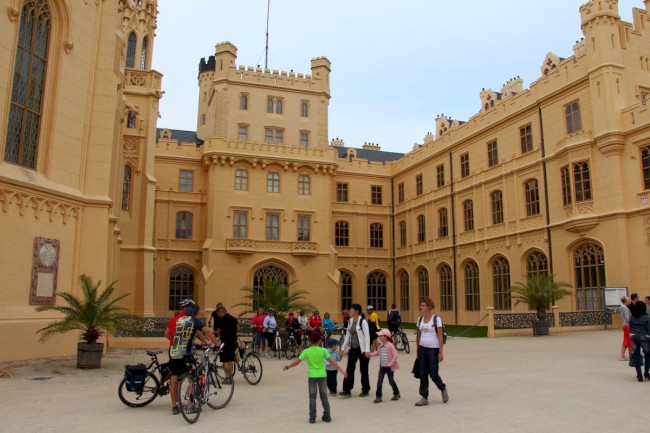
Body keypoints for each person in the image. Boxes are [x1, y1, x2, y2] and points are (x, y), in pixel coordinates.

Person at [284, 331, 347, 424]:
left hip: (312, 376)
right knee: (324, 397)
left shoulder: (306, 351)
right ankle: (327, 415)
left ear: (310, 340)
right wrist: (342, 371)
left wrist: (287, 367)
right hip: (322, 375)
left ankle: (312, 417)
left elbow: (297, 362)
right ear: (319, 340)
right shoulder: (323, 350)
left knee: (312, 397)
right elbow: (333, 362)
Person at [168, 303, 218, 415]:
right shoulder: (193, 320)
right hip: (186, 353)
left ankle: (174, 407)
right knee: (193, 378)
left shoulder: (178, 320)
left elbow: (170, 334)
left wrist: (197, 342)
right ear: (195, 312)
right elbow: (208, 331)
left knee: (174, 378)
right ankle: (190, 405)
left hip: (174, 351)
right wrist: (216, 343)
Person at [415, 297, 448, 407]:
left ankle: (442, 387)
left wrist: (441, 352)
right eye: (421, 305)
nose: (421, 307)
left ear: (428, 306)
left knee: (433, 374)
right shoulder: (420, 319)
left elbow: (440, 335)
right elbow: (418, 336)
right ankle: (424, 397)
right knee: (423, 374)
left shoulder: (436, 319)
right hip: (422, 349)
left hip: (433, 350)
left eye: (423, 305)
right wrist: (417, 352)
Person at [339, 303, 371, 397]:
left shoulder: (363, 322)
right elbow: (347, 336)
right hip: (353, 348)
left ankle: (365, 390)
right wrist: (342, 348)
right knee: (349, 369)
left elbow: (367, 336)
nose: (350, 311)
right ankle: (347, 390)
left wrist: (367, 350)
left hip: (362, 350)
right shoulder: (350, 321)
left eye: (352, 309)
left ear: (357, 311)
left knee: (363, 370)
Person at [366, 329, 400, 403]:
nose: (380, 337)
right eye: (380, 336)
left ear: (386, 337)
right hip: (382, 367)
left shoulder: (390, 345)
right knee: (379, 381)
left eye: (381, 336)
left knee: (391, 381)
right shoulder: (381, 345)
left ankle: (396, 393)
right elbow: (377, 353)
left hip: (389, 367)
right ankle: (378, 396)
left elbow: (395, 355)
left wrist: (390, 364)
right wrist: (369, 354)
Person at [214, 306, 240, 376]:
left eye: (219, 313)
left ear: (224, 312)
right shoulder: (233, 319)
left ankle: (227, 377)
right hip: (233, 342)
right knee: (230, 360)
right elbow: (238, 328)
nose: (218, 315)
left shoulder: (221, 320)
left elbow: (219, 331)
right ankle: (231, 377)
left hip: (225, 343)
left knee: (225, 360)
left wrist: (219, 336)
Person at [628, 301, 650, 381]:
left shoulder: (632, 317)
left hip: (634, 337)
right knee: (648, 355)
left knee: (636, 355)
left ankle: (639, 375)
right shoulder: (646, 317)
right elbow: (649, 329)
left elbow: (629, 327)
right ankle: (647, 373)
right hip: (644, 337)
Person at [619, 296, 632, 361]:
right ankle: (629, 355)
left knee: (626, 340)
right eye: (628, 301)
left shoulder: (621, 307)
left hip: (624, 325)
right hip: (628, 325)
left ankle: (624, 355)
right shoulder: (625, 308)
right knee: (628, 340)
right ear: (626, 301)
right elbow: (627, 318)